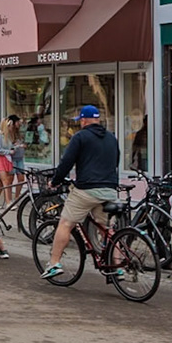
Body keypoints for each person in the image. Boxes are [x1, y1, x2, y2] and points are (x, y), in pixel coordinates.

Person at [41, 105, 121, 280]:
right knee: (107, 229)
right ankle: (117, 266)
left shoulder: (80, 137)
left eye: (80, 120)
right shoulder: (111, 137)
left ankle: (54, 264)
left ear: (83, 120)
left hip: (86, 189)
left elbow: (67, 162)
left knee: (66, 223)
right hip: (109, 190)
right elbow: (115, 161)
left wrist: (55, 181)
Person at [0, 115, 24, 204]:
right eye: (10, 126)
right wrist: (9, 151)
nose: (11, 128)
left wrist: (17, 146)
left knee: (3, 182)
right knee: (6, 181)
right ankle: (8, 202)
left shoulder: (7, 136)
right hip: (0, 160)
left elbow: (11, 146)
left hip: (7, 159)